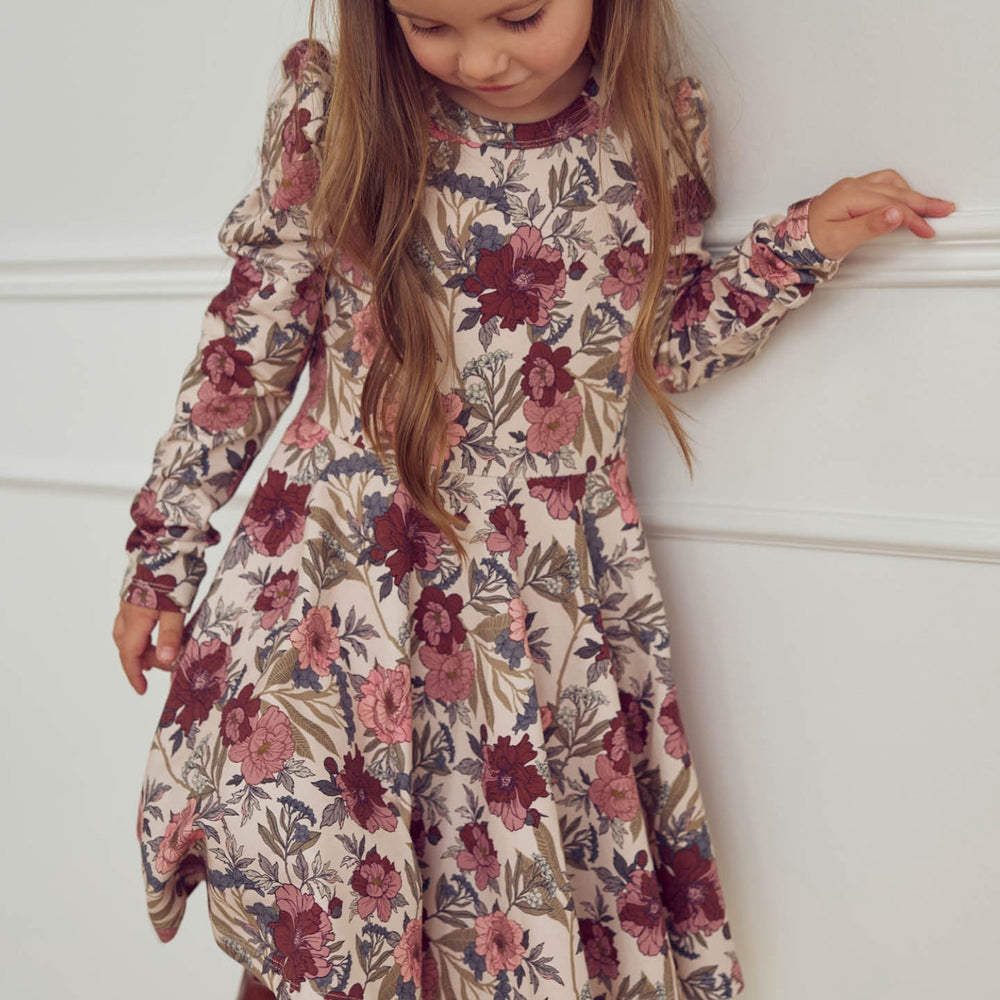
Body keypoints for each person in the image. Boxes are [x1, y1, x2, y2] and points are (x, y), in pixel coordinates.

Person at [112, 2, 954, 999]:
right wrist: (161, 554)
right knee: (316, 919)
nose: (479, 58)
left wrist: (800, 244)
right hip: (336, 592)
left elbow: (661, 341)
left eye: (518, 16)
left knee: (493, 923)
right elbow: (248, 348)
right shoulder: (338, 114)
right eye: (428, 24)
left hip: (531, 609)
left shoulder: (650, 127)